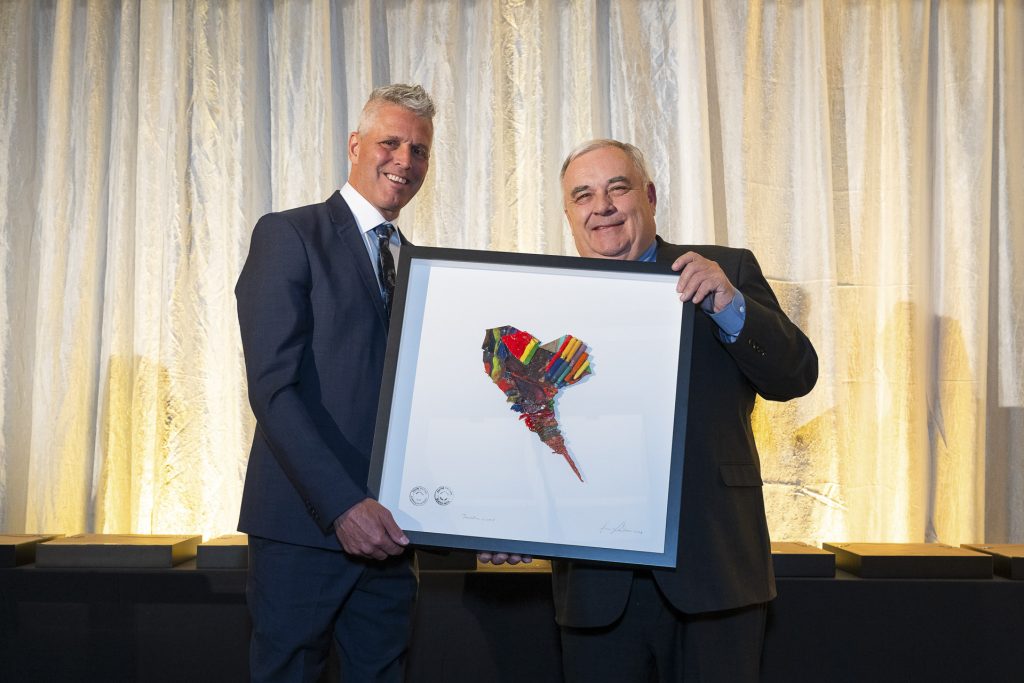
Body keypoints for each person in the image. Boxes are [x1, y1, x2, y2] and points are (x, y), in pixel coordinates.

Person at [485, 139, 818, 681]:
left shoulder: (722, 271)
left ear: (650, 196)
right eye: (583, 195)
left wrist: (730, 306)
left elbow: (795, 374)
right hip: (597, 585)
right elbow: (525, 424)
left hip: (715, 572)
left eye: (618, 187)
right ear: (569, 214)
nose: (603, 206)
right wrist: (508, 519)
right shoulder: (543, 303)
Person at [234, 83, 435, 682]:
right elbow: (273, 388)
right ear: (355, 145)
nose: (404, 160)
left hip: (393, 535)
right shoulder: (288, 233)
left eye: (419, 150)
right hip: (305, 526)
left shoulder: (420, 264)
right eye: (390, 142)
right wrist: (344, 505)